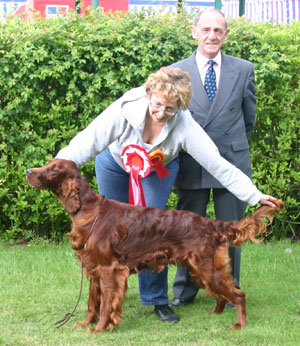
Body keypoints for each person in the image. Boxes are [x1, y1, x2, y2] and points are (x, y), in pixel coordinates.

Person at [56, 67, 276, 323]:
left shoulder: (185, 125)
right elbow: (87, 141)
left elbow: (216, 163)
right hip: (114, 164)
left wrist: (253, 194)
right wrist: (57, 165)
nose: (161, 113)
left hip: (158, 167)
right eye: (157, 105)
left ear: (180, 107)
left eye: (170, 109)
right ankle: (108, 297)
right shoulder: (126, 106)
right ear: (149, 94)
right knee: (105, 237)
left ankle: (157, 300)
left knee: (154, 233)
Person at [169, 9, 257, 308]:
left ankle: (229, 291)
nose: (212, 35)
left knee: (231, 230)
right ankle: (184, 291)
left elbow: (248, 118)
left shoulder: (243, 69)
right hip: (192, 163)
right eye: (206, 29)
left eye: (218, 30)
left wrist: (229, 145)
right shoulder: (176, 72)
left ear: (226, 34)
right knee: (187, 231)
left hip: (231, 161)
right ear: (194, 32)